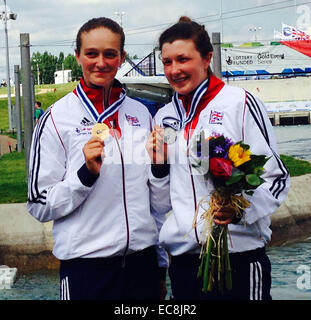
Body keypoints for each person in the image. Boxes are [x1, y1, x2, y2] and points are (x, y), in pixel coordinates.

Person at [146, 16, 290, 300]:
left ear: (206, 57)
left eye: (183, 59)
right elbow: (163, 202)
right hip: (185, 265)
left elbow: (277, 179)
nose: (174, 70)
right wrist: (159, 166)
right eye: (167, 62)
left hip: (239, 260)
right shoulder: (164, 117)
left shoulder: (240, 103)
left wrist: (239, 211)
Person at [27, 17, 169, 300]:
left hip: (144, 267)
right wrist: (85, 175)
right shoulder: (56, 119)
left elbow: (155, 203)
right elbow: (39, 205)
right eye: (91, 53)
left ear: (122, 58)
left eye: (110, 54)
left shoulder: (141, 115)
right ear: (78, 56)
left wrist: (160, 263)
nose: (100, 62)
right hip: (87, 271)